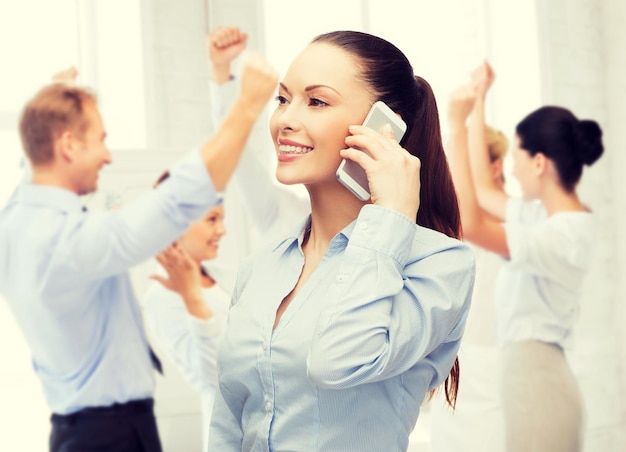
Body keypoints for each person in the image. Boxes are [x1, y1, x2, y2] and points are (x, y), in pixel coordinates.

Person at [207, 30, 476, 451]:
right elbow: (228, 421)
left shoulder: (440, 264)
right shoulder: (260, 268)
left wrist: (391, 214)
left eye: (316, 101)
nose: (285, 120)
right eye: (282, 99)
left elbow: (337, 362)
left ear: (385, 127)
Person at [0, 52, 277, 451]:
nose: (108, 156)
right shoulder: (71, 242)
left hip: (77, 432)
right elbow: (177, 201)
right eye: (102, 140)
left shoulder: (15, 220)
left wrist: (51, 98)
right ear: (69, 145)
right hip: (111, 437)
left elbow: (37, 166)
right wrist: (246, 105)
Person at [142, 27, 310, 452]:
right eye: (212, 218)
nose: (223, 229)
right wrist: (222, 77)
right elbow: (218, 373)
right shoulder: (164, 295)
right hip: (234, 431)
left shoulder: (221, 274)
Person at [446, 61, 604, 451]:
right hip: (527, 374)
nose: (512, 169)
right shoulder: (540, 216)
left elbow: (473, 223)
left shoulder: (564, 236)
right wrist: (480, 99)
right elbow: (482, 189)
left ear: (539, 162)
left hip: (538, 381)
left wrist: (454, 126)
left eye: (517, 157)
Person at [430, 87, 510, 450]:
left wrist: (463, 118)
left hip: (498, 375)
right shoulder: (452, 228)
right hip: (457, 374)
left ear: (493, 167)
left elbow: (473, 213)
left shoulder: (512, 224)